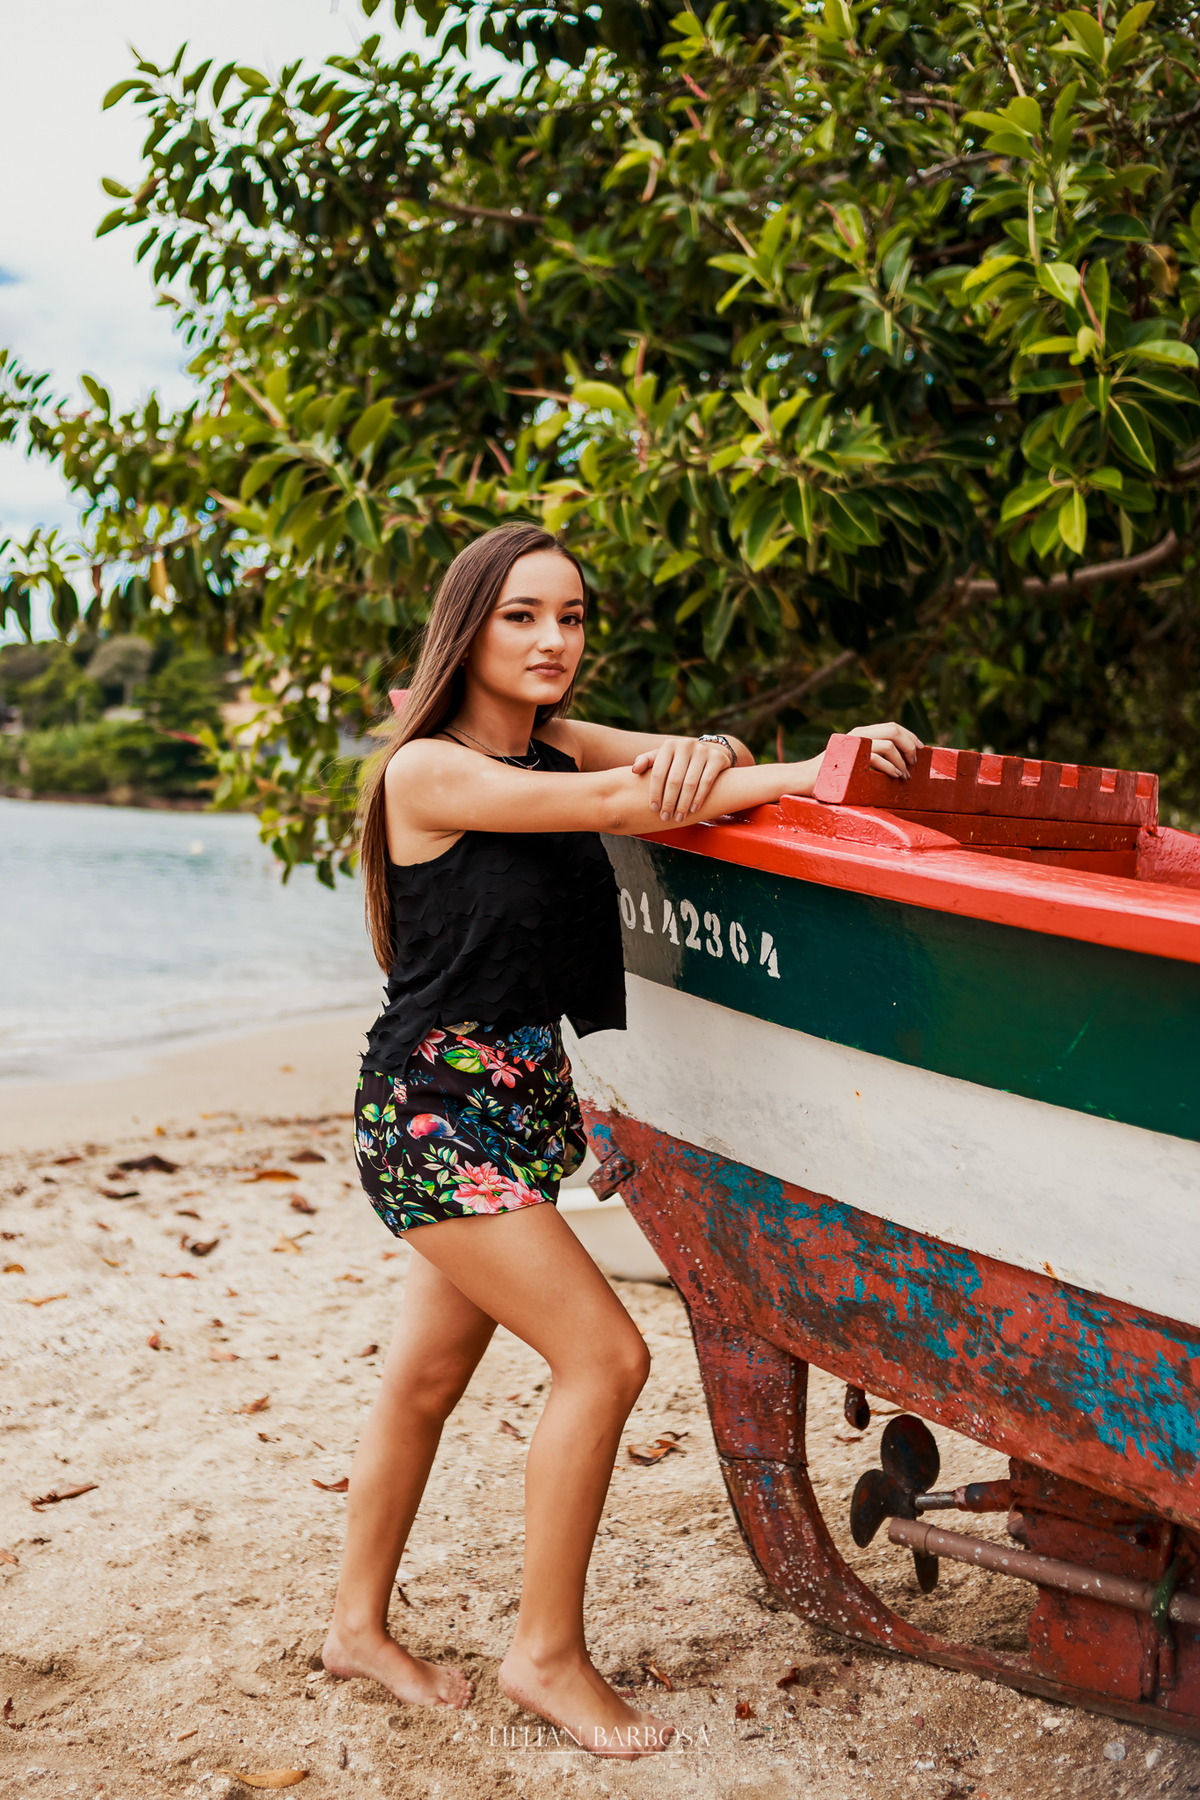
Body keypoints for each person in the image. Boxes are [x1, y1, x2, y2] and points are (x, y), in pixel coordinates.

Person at [320, 522, 920, 1757]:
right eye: (523, 616)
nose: (554, 640)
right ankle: (545, 1656)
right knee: (605, 1360)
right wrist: (818, 771)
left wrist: (726, 756)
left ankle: (354, 1631)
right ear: (468, 628)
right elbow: (616, 800)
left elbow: (683, 765)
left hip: (517, 1104)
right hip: (433, 1114)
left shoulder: (545, 741)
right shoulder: (424, 770)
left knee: (424, 1384)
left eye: (575, 617)